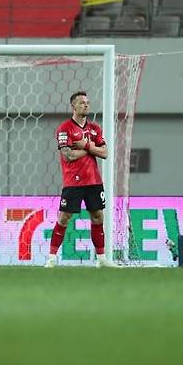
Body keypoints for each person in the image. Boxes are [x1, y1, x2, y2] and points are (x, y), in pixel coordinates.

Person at [45, 91, 117, 268]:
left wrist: (85, 146)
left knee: (98, 216)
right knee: (64, 217)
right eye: (82, 102)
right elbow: (68, 155)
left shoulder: (94, 129)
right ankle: (51, 258)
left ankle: (101, 259)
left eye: (87, 102)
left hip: (94, 181)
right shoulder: (64, 128)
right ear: (73, 106)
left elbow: (105, 153)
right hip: (73, 182)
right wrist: (91, 148)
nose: (86, 105)